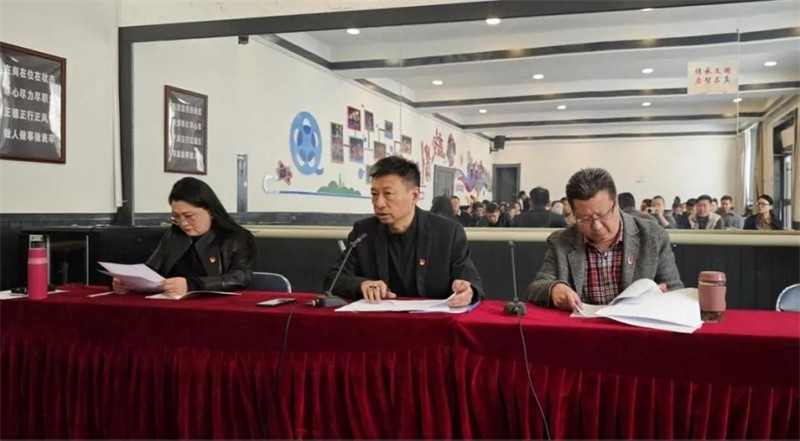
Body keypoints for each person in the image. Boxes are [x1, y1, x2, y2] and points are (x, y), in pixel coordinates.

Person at [323, 156, 483, 306]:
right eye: (374, 194)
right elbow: (333, 279)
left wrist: (467, 290)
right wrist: (361, 285)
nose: (379, 203)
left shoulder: (447, 233)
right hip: (380, 321)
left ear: (414, 195)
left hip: (432, 321)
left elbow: (472, 282)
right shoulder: (364, 232)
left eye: (388, 194)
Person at [527, 168, 683, 310]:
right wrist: (554, 289)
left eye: (602, 215)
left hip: (637, 328)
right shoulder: (561, 241)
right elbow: (537, 287)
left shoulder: (652, 236)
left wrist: (660, 297)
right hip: (584, 329)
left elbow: (674, 288)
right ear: (573, 214)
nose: (597, 226)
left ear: (616, 203)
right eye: (584, 218)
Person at [112, 177, 255, 297]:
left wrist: (192, 285)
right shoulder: (174, 235)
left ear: (210, 211)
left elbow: (240, 277)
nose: (183, 223)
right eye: (176, 217)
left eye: (189, 216)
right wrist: (128, 281)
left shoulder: (236, 238)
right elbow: (151, 270)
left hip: (216, 307)